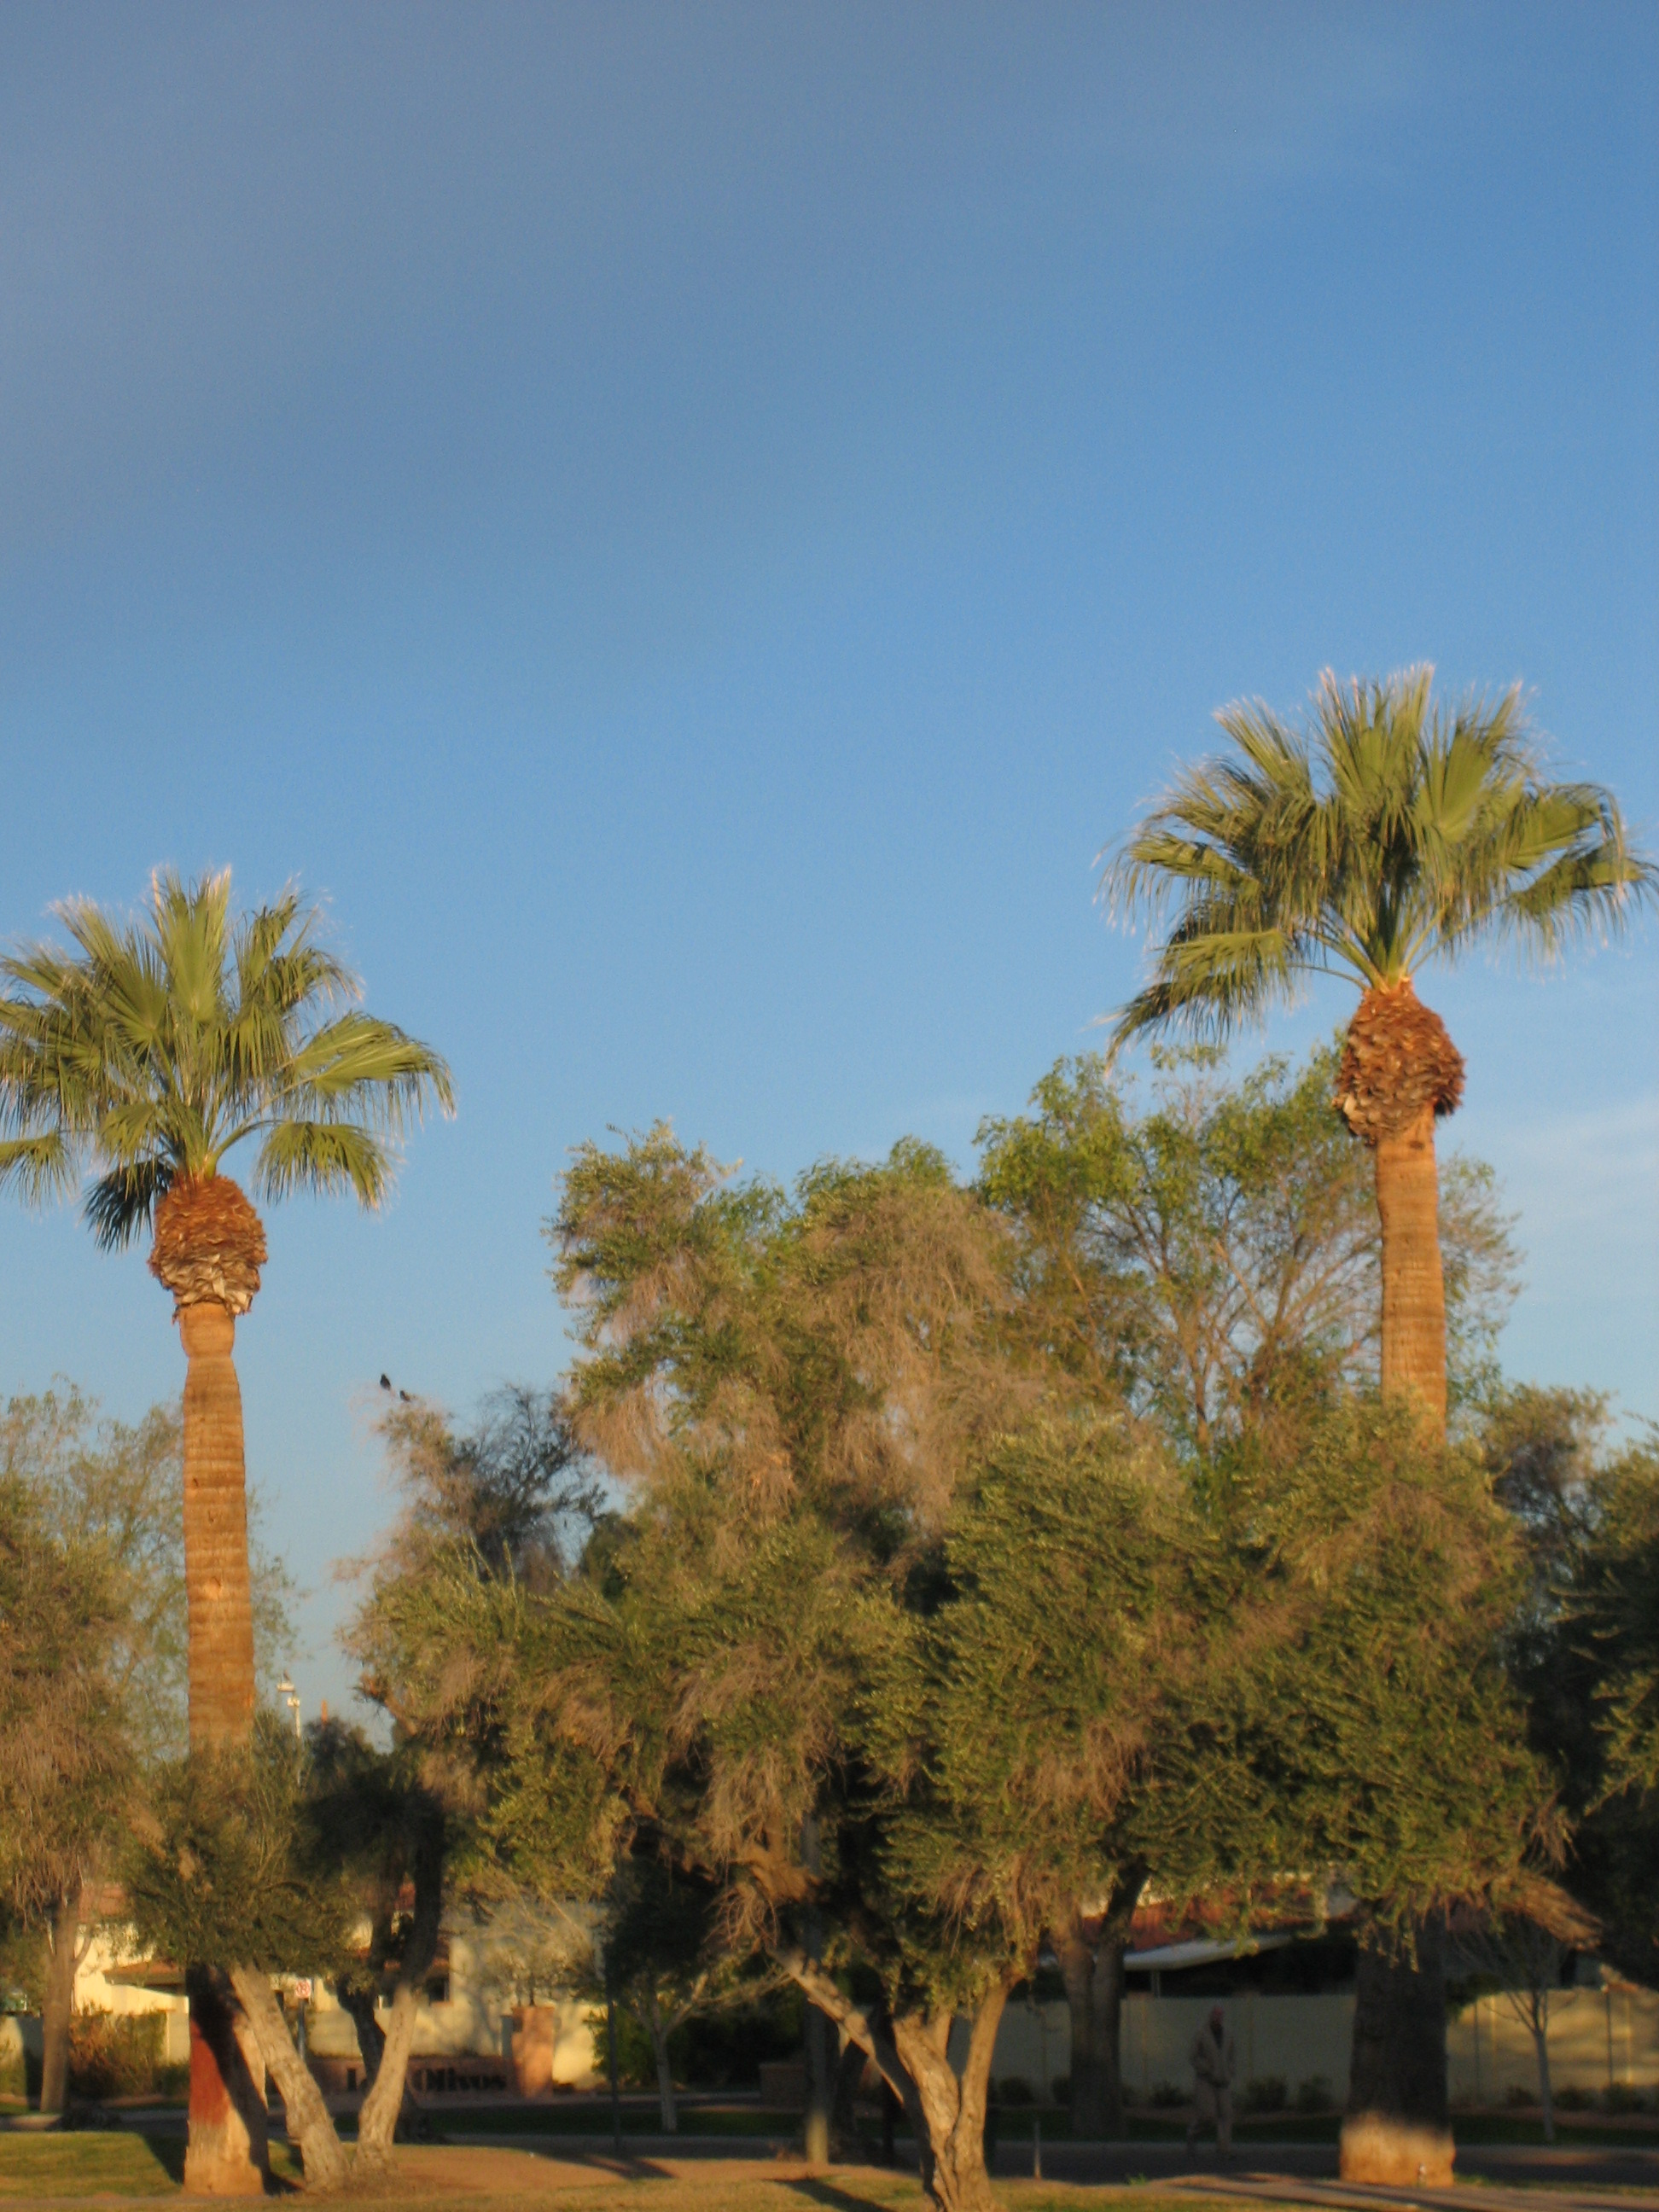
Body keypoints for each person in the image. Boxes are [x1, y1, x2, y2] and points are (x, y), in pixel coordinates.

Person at [1186, 2003, 1235, 2162]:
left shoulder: (1228, 2035)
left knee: (1226, 2115)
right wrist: (1205, 2067)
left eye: (1220, 2015)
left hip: (1223, 2080)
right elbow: (1193, 2056)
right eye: (1215, 2015)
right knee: (1208, 2116)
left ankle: (1224, 2149)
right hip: (1206, 2081)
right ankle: (1193, 2133)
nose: (1218, 2018)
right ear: (1210, 2016)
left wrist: (1230, 2070)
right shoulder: (1201, 2033)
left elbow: (1231, 2055)